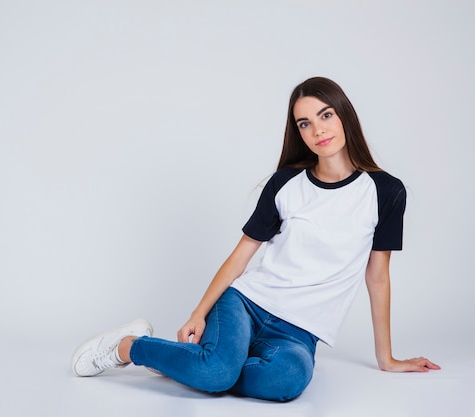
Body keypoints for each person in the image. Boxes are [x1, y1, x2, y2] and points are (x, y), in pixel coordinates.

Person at [70, 76, 440, 402]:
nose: (318, 131)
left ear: (345, 116)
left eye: (326, 115)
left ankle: (194, 363)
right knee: (217, 374)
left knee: (284, 383)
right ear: (298, 132)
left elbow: (377, 277)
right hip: (246, 305)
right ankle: (128, 346)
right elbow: (240, 257)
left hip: (298, 334)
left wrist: (387, 358)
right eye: (305, 123)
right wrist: (199, 312)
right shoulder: (286, 184)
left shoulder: (386, 191)